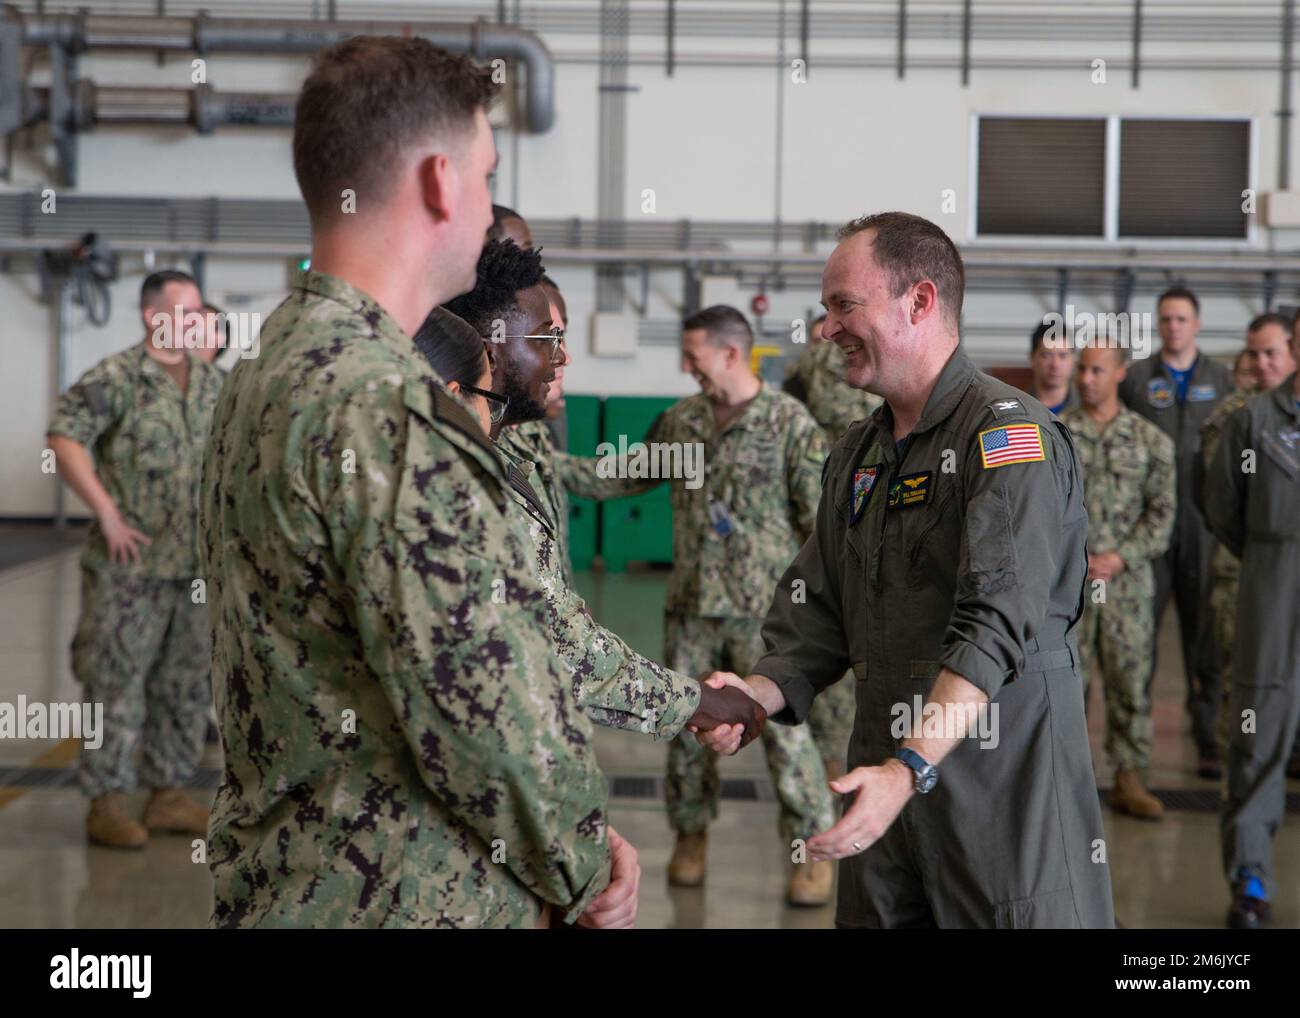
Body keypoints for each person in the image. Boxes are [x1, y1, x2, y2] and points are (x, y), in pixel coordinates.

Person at [201, 37, 633, 929]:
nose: (490, 211)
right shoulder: (387, 407)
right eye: (485, 175)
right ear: (441, 181)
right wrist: (585, 858)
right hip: (399, 896)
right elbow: (484, 710)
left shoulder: (271, 362)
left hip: (291, 880)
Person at [697, 212, 1114, 928]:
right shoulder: (857, 455)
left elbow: (998, 620)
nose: (826, 330)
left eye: (843, 306)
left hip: (1000, 808)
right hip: (886, 805)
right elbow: (819, 612)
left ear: (919, 301)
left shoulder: (1009, 437)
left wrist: (910, 769)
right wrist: (758, 694)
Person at [555, 305, 838, 906]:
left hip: (767, 618)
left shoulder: (789, 424)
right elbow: (625, 476)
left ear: (732, 353)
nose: (687, 368)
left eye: (695, 357)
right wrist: (547, 467)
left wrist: (820, 610)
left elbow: (820, 526)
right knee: (689, 731)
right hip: (690, 608)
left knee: (784, 737)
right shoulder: (682, 422)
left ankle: (811, 851)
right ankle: (690, 837)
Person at [431, 247, 765, 745]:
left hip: (754, 601)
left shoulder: (501, 453)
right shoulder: (464, 475)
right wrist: (698, 702)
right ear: (494, 349)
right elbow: (562, 650)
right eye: (549, 339)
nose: (561, 357)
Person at [46, 269, 223, 848]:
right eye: (188, 310)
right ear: (154, 317)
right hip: (130, 569)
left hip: (194, 568)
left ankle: (168, 794)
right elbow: (65, 436)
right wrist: (106, 512)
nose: (198, 320)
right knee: (115, 682)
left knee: (185, 684)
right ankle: (107, 802)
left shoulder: (211, 382)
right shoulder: (118, 377)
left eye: (200, 310)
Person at [1203, 322, 1300, 930]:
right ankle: (1251, 880)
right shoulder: (1254, 421)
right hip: (1274, 590)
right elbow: (1222, 510)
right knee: (1257, 736)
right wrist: (1276, 560)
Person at [1119, 287, 1232, 778]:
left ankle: (1207, 737)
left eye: (1182, 318)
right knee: (1139, 637)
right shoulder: (1139, 379)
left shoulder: (1220, 379)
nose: (1173, 326)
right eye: (1165, 319)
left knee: (1202, 638)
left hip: (1204, 526)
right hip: (1151, 527)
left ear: (1197, 323)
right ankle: (1134, 746)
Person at [1061, 344, 1176, 820]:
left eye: (1096, 370)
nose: (1085, 379)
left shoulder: (1151, 441)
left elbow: (1163, 514)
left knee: (1130, 683)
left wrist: (1119, 558)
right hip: (1069, 588)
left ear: (1119, 374)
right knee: (1068, 685)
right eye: (1081, 369)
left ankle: (1130, 778)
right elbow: (1040, 507)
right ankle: (1066, 781)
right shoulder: (1056, 434)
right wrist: (1074, 558)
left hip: (1127, 587)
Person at [782, 317, 883, 780]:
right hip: (825, 499)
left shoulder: (887, 349)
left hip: (876, 501)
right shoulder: (814, 359)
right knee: (821, 653)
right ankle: (828, 781)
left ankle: (850, 774)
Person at [1196, 314, 1294, 765]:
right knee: (1241, 677)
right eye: (1253, 354)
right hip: (1249, 572)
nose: (1261, 364)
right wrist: (1263, 551)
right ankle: (1231, 750)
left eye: (1270, 353)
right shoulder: (1236, 419)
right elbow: (1219, 502)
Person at [1028, 319, 1077, 415]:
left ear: (1074, 360)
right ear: (1032, 358)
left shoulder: (1089, 408)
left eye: (1063, 356)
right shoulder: (1018, 408)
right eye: (1046, 355)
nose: (1055, 364)